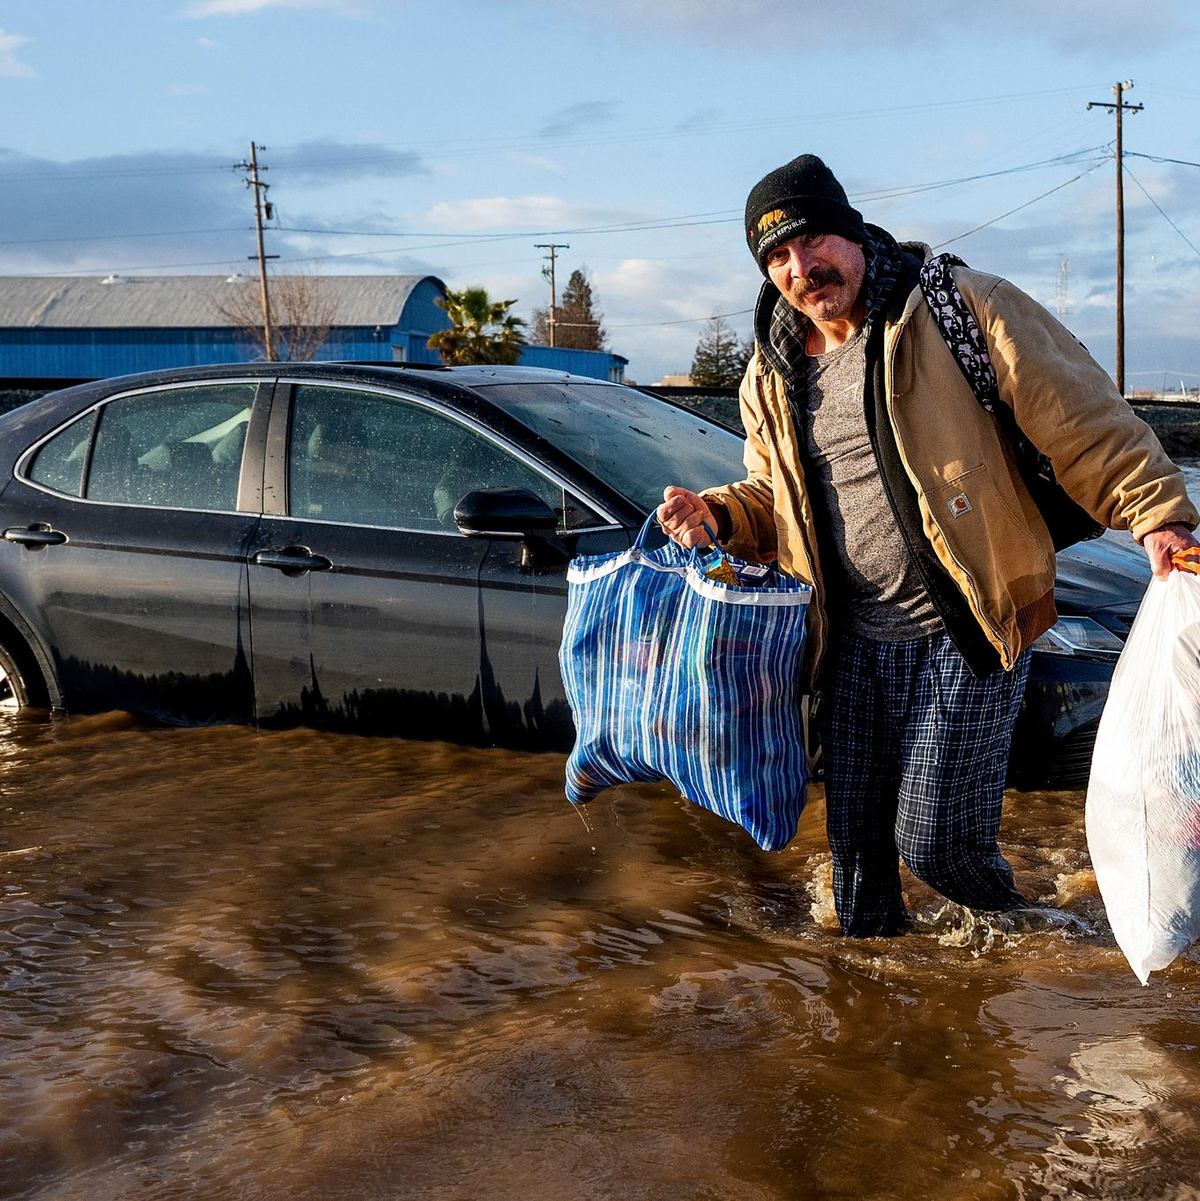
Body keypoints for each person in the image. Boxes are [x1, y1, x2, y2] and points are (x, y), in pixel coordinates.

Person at [656, 153, 1200, 937]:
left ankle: (1036, 938)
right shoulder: (769, 376)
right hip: (847, 647)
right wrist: (716, 515)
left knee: (938, 842)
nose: (800, 268)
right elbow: (775, 502)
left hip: (970, 625)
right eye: (776, 256)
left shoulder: (956, 307)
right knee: (858, 884)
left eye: (812, 242)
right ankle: (883, 1036)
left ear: (850, 232)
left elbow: (1080, 416)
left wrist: (1158, 513)